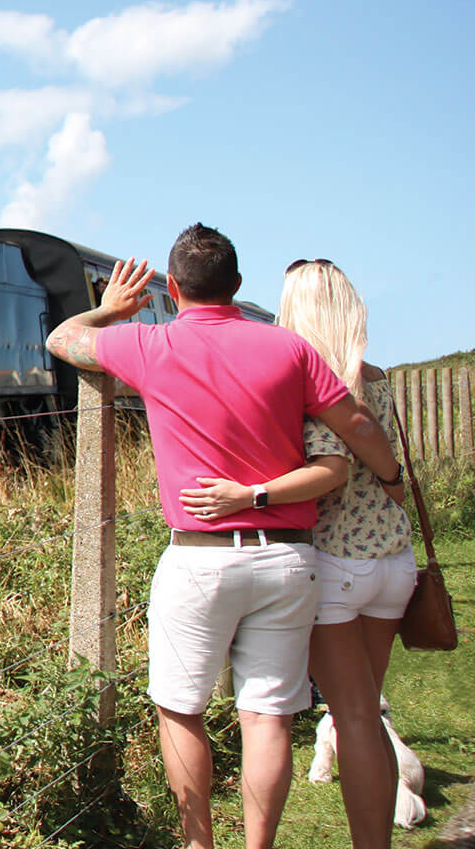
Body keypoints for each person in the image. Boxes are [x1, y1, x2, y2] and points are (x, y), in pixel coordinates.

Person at [45, 224, 400, 849]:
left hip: (200, 559)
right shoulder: (291, 350)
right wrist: (394, 479)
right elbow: (357, 421)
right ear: (237, 286)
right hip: (290, 560)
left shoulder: (149, 344)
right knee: (268, 716)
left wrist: (110, 309)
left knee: (180, 708)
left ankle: (199, 844)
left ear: (173, 288)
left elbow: (64, 338)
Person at [182, 260, 413, 848]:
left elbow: (327, 472)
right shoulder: (378, 377)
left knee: (354, 715)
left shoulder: (305, 383)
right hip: (392, 561)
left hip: (334, 563)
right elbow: (378, 452)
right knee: (364, 714)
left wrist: (250, 494)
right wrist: (392, 476)